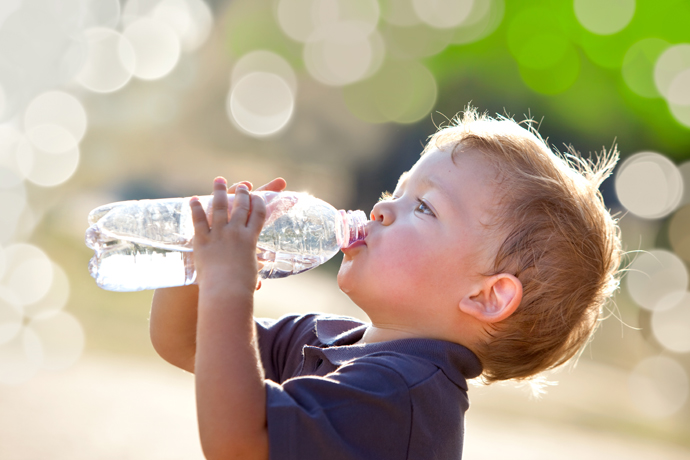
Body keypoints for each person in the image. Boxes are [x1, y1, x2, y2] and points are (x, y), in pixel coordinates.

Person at [149, 108, 622, 460]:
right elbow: (186, 340)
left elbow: (237, 443)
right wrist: (196, 260)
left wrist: (228, 288)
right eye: (396, 191)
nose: (379, 209)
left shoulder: (402, 394)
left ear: (486, 295)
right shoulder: (328, 338)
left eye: (424, 207)